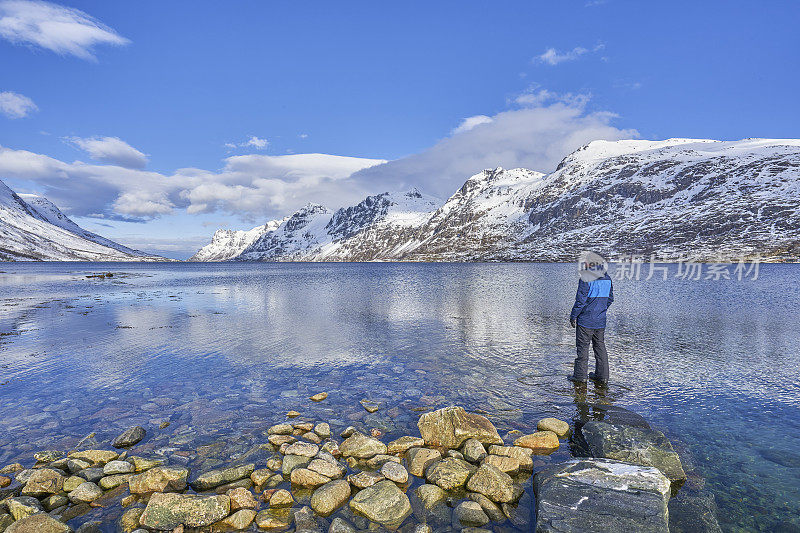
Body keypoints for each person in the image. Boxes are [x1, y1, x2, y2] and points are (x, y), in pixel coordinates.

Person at [567, 270, 614, 385]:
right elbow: (610, 299)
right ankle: (602, 377)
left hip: (585, 321)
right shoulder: (607, 279)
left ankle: (580, 377)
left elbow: (580, 301)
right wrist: (600, 311)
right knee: (600, 348)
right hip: (600, 321)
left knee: (583, 348)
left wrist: (573, 316)